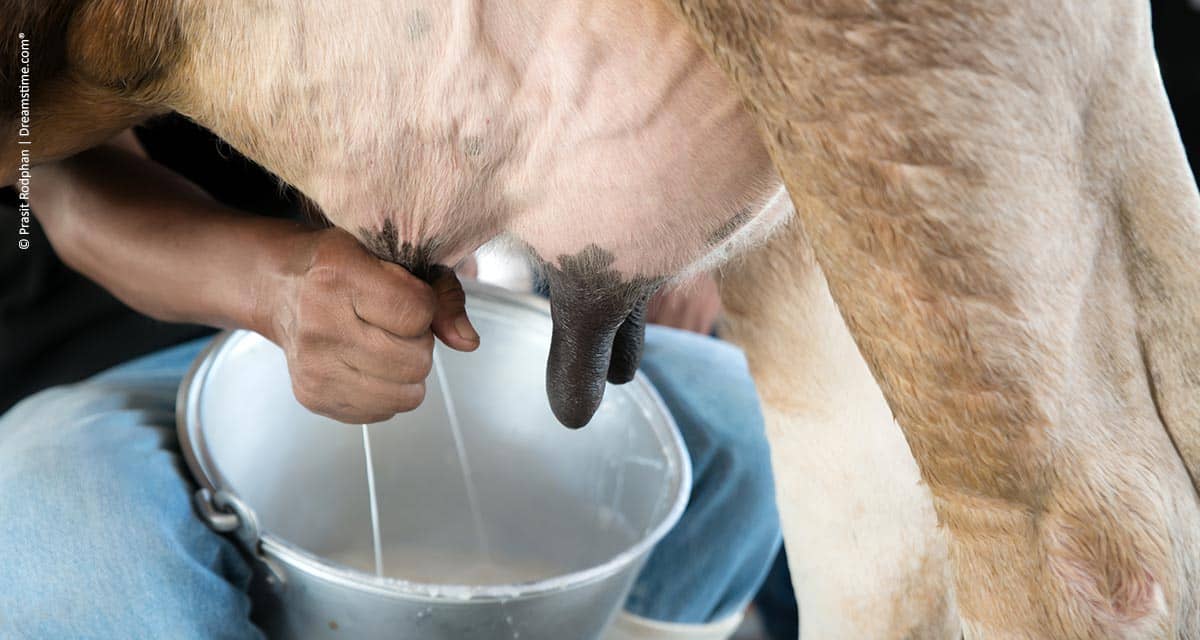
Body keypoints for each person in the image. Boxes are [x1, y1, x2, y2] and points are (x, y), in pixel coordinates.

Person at [0, 119, 779, 640]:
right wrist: (275, 286)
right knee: (84, 561)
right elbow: (57, 172)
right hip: (111, 354)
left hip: (394, 319)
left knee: (736, 425)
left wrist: (682, 206)